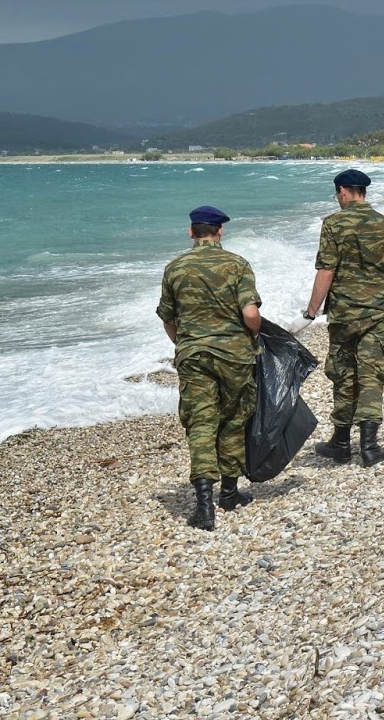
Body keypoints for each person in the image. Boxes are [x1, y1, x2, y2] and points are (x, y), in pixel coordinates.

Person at [291, 169, 384, 467]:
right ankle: (369, 445)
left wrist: (310, 314)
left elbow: (326, 271)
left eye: (337, 195)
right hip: (377, 313)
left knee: (343, 373)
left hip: (344, 314)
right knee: (372, 373)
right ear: (363, 192)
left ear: (343, 191)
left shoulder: (333, 224)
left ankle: (341, 443)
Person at [157, 205, 263, 531]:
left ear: (191, 231)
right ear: (220, 232)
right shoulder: (237, 264)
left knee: (202, 424)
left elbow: (168, 319)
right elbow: (250, 314)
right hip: (235, 355)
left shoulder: (175, 268)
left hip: (193, 356)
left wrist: (185, 343)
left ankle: (205, 505)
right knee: (233, 419)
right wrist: (253, 337)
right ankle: (229, 493)